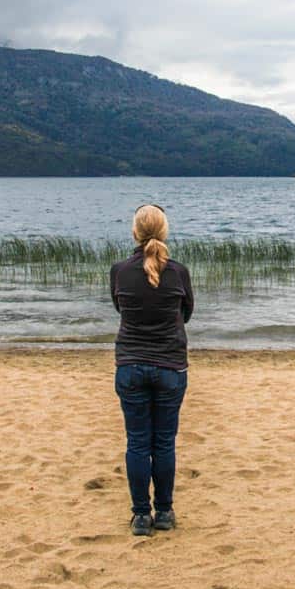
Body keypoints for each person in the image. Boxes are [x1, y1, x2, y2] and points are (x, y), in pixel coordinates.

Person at [109, 204, 194, 536]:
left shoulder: (120, 271)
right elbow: (186, 314)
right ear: (164, 231)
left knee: (137, 442)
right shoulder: (178, 272)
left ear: (135, 232)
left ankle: (141, 516)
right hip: (170, 366)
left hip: (130, 365)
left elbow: (121, 309)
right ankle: (164, 511)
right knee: (164, 442)